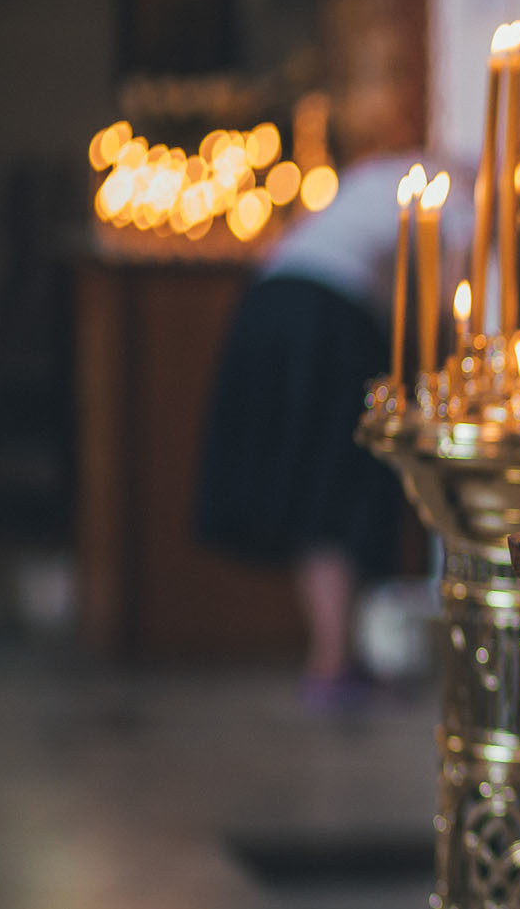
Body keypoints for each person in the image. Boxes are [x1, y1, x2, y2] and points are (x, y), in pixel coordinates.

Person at [196, 119, 468, 705]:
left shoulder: (378, 174)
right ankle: (332, 661)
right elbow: (454, 307)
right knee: (336, 485)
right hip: (327, 318)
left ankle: (334, 655)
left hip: (264, 304)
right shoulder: (462, 196)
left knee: (309, 480)